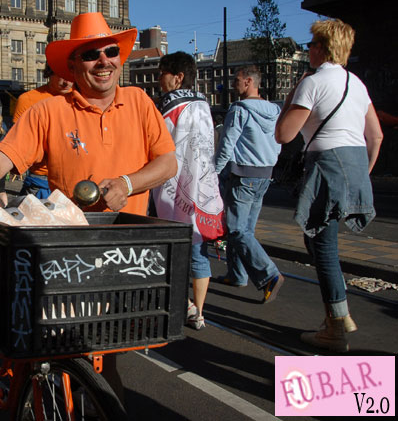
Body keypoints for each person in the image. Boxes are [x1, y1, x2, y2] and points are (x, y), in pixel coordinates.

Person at [0, 11, 176, 216]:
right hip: (69, 245)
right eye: (91, 55)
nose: (104, 61)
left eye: (111, 51)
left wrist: (127, 183)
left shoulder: (139, 101)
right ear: (72, 66)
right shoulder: (47, 111)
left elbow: (167, 162)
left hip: (132, 243)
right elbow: (2, 158)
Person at [276, 19, 383, 352]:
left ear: (321, 47)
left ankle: (336, 326)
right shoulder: (357, 83)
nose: (308, 49)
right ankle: (338, 313)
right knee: (319, 244)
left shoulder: (313, 82)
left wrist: (293, 95)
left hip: (325, 166)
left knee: (323, 248)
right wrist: (362, 172)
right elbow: (375, 136)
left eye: (310, 44)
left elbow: (284, 134)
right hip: (354, 167)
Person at [150, 52, 225, 330]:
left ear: (177, 77)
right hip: (202, 183)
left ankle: (182, 303)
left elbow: (158, 144)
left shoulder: (169, 107)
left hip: (173, 183)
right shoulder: (204, 104)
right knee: (197, 247)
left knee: (174, 246)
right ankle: (200, 311)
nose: (159, 79)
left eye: (162, 73)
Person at [214, 65, 285, 303]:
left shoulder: (239, 109)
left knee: (236, 229)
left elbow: (227, 143)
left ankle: (269, 274)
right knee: (246, 229)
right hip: (265, 174)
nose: (233, 84)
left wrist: (213, 172)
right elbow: (278, 140)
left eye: (237, 80)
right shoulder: (274, 110)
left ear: (249, 82)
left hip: (243, 175)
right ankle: (237, 274)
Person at [13, 65, 74, 198]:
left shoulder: (82, 97)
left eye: (71, 76)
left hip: (75, 179)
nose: (67, 82)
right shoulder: (28, 99)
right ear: (49, 73)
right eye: (61, 75)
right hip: (41, 180)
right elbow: (16, 142)